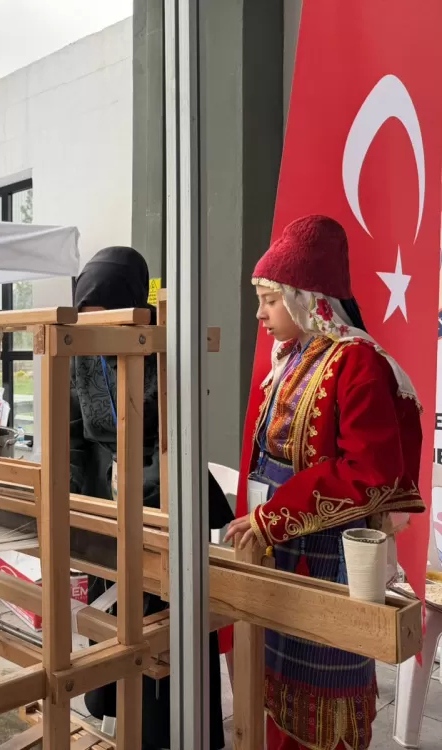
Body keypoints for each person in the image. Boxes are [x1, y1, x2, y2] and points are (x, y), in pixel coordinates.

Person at [224, 215, 425, 750]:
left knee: (323, 681)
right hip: (280, 544)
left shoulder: (356, 362)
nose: (261, 313)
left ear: (304, 298)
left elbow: (370, 472)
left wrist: (274, 516)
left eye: (270, 299)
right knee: (276, 673)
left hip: (328, 553)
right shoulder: (291, 360)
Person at [69, 246, 232, 749]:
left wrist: (145, 492)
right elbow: (75, 431)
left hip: (167, 496)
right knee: (113, 620)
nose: (99, 327)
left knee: (166, 625)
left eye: (109, 316)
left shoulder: (166, 348)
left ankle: (173, 734)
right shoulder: (81, 354)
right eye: (89, 317)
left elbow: (179, 434)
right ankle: (122, 725)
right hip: (107, 502)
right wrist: (72, 496)